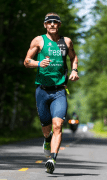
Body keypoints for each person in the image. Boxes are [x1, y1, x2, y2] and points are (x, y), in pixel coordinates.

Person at [24, 12, 79, 174]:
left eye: (55, 22)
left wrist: (74, 70)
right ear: (45, 25)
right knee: (46, 128)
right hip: (42, 90)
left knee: (58, 125)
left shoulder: (66, 42)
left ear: (59, 25)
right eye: (49, 22)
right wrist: (39, 63)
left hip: (60, 91)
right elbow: (26, 61)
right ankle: (47, 140)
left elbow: (73, 57)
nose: (52, 24)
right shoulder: (39, 41)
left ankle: (52, 159)